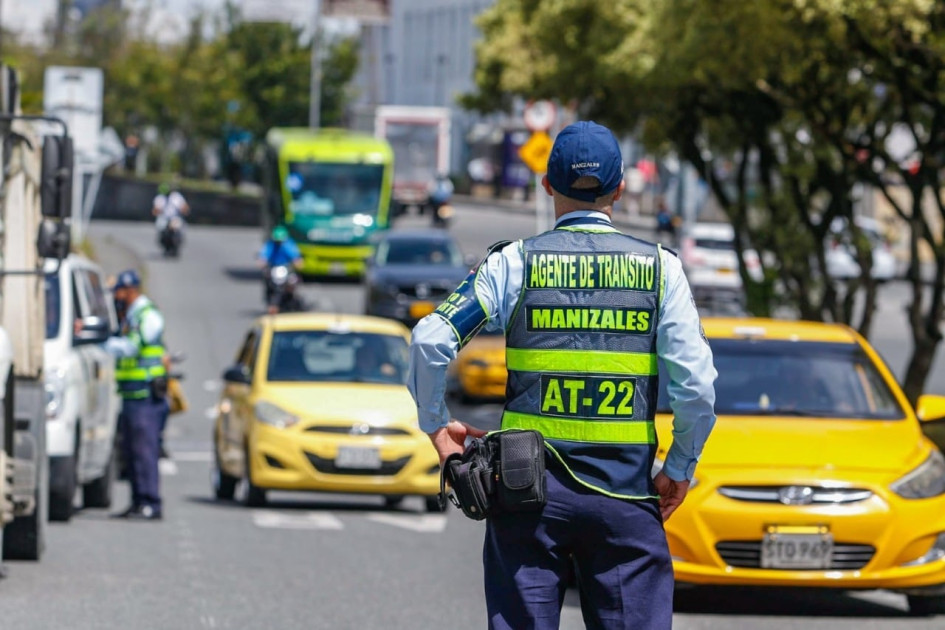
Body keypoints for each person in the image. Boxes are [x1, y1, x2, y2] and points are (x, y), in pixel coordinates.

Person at [408, 121, 717, 629]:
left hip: (527, 495)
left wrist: (440, 432)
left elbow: (429, 340)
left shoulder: (513, 264)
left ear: (547, 185)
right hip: (626, 496)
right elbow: (698, 386)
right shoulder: (661, 269)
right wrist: (679, 466)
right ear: (619, 189)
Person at [105, 269, 168, 521]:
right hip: (132, 396)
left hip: (146, 398)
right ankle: (137, 501)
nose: (117, 296)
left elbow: (132, 347)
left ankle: (151, 502)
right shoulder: (131, 316)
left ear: (130, 290)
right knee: (131, 452)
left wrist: (102, 343)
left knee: (145, 452)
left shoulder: (148, 316)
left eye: (119, 291)